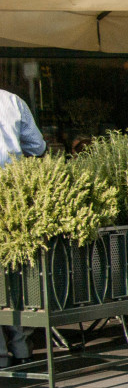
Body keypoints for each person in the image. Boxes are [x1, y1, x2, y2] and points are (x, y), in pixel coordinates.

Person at [0, 89, 44, 367]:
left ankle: (1, 356)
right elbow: (37, 147)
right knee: (12, 273)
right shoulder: (11, 100)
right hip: (13, 195)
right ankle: (20, 348)